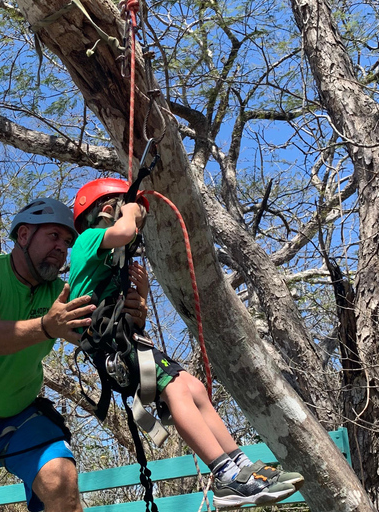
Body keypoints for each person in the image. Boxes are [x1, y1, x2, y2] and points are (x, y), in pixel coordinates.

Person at [68, 178, 305, 509]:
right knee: (177, 390)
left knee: (193, 387)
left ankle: (241, 464)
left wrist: (143, 295)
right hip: (115, 348)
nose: (137, 229)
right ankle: (224, 475)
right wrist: (132, 212)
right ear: (107, 210)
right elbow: (123, 233)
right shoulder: (88, 240)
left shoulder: (111, 264)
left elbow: (132, 318)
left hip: (126, 341)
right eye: (129, 216)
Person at [0, 197, 150, 512]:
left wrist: (136, 312)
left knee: (62, 488)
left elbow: (102, 336)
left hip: (18, 420)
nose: (62, 247)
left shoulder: (59, 294)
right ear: (23, 235)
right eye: (53, 236)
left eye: (67, 241)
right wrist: (47, 326)